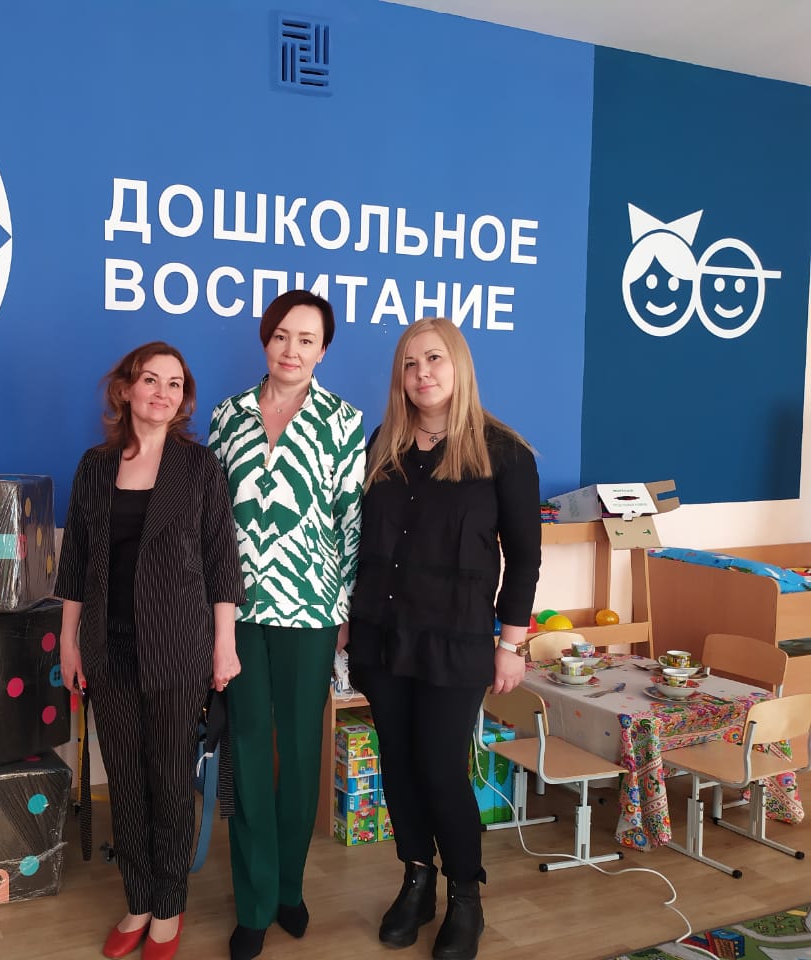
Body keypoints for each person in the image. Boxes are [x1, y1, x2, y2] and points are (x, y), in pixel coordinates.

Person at [347, 317, 541, 960]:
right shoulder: (384, 446)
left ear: (458, 365)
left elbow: (525, 558)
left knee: (440, 768)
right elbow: (361, 541)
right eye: (409, 363)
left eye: (433, 359)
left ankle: (465, 895)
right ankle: (416, 880)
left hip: (456, 642)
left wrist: (511, 645)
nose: (421, 373)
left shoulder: (503, 452)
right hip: (381, 636)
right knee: (398, 766)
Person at [56, 341, 245, 960]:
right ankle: (137, 899)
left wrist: (224, 646)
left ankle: (168, 908)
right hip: (107, 648)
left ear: (183, 398)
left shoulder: (199, 467)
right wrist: (69, 643)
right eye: (150, 380)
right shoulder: (94, 466)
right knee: (126, 779)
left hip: (178, 647)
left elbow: (221, 562)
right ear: (126, 390)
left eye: (174, 383)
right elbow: (75, 561)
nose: (162, 392)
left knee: (169, 781)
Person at [208, 290, 365, 960]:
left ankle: (290, 889)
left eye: (306, 339)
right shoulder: (228, 416)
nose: (291, 350)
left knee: (300, 755)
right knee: (248, 750)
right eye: (281, 336)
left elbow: (351, 520)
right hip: (239, 612)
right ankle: (253, 902)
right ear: (265, 340)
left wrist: (346, 611)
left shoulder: (343, 421)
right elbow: (212, 522)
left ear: (322, 350)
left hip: (312, 610)